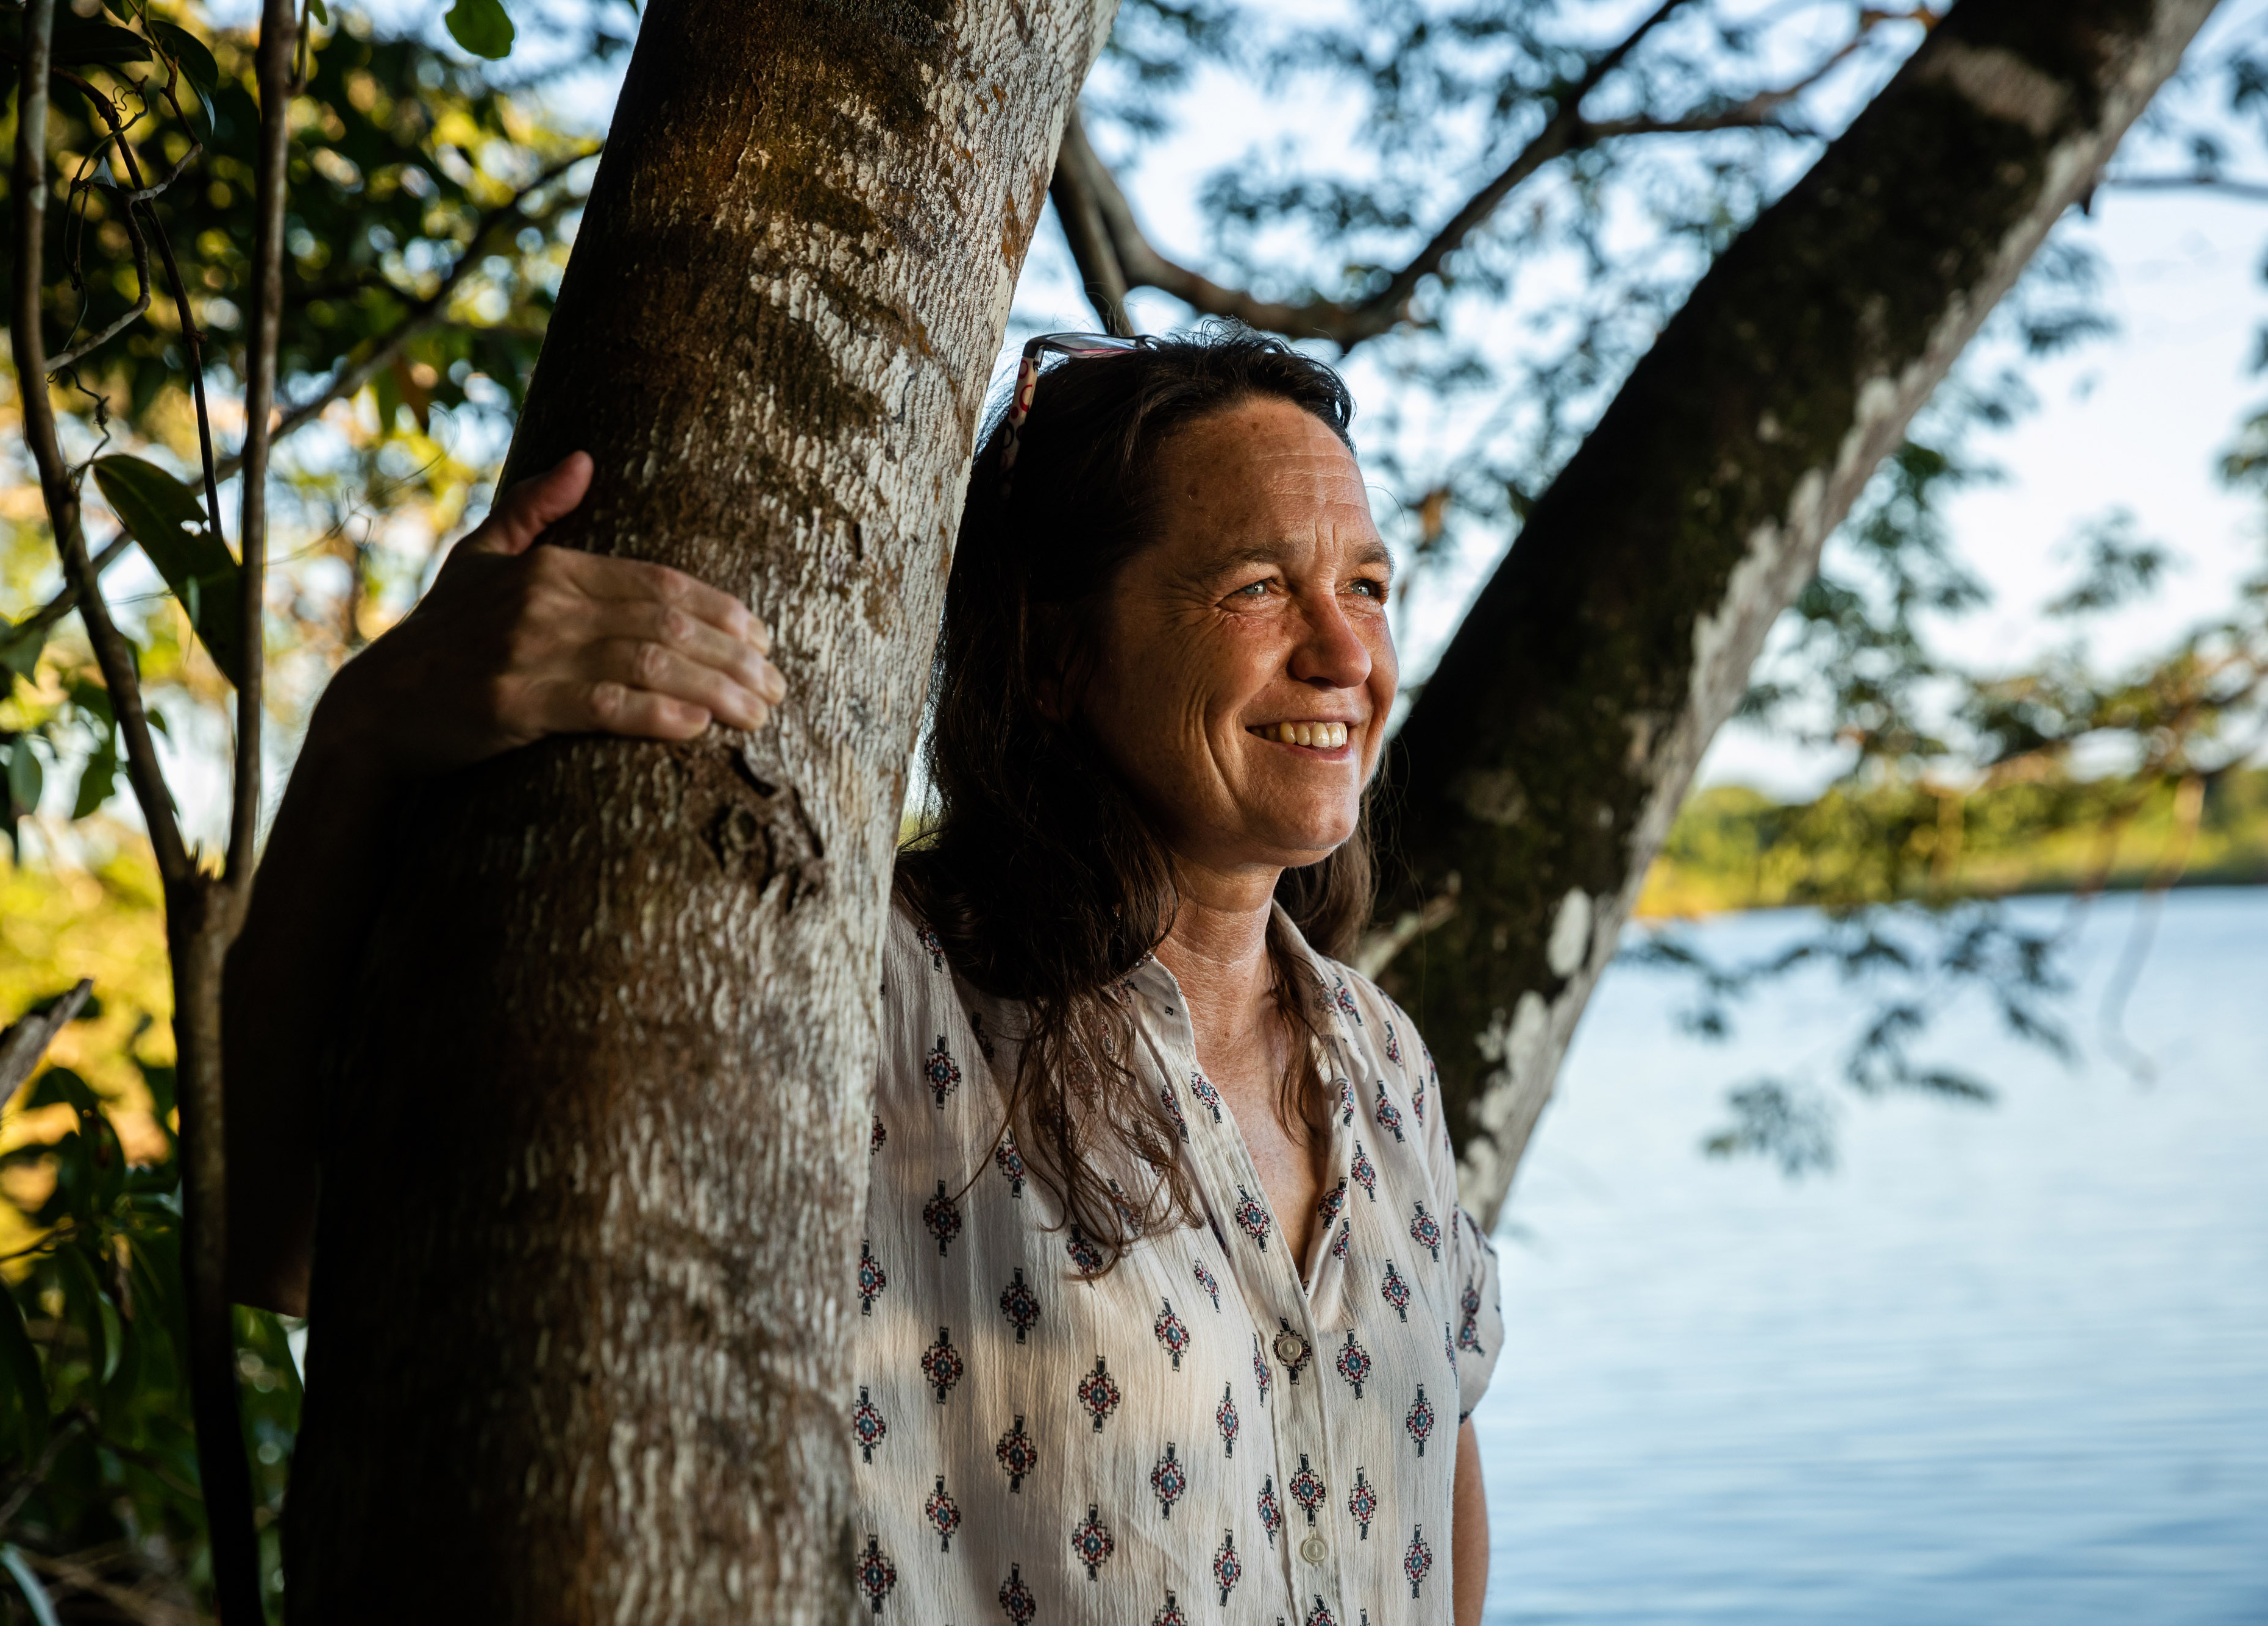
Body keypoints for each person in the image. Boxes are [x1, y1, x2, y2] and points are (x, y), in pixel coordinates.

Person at [227, 323, 1502, 1624]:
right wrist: (367, 734)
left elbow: (1435, 1484)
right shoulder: (868, 987)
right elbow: (303, 1248)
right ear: (1054, 660)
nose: (1346, 656)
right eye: (1255, 588)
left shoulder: (1381, 1056)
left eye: (1366, 586)